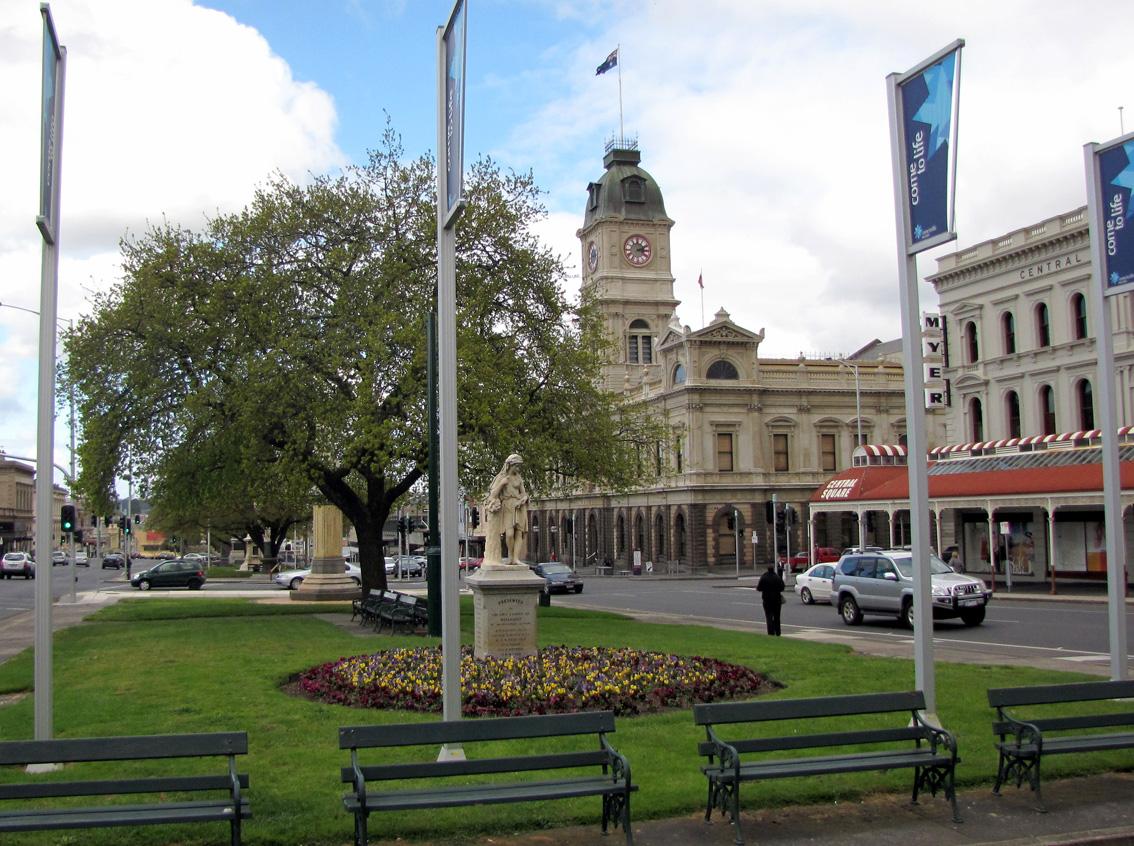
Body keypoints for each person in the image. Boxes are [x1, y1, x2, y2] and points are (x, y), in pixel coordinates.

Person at [483, 454, 530, 565]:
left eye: (519, 467)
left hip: (519, 506)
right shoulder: (501, 478)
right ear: (510, 465)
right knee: (509, 534)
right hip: (507, 506)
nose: (518, 469)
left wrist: (524, 498)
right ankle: (510, 555)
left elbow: (524, 493)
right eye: (516, 466)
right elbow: (493, 495)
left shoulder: (518, 477)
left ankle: (515, 558)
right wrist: (501, 484)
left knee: (519, 532)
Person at [756, 563, 785, 636]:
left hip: (767, 600)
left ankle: (770, 632)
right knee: (777, 617)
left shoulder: (764, 577)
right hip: (777, 600)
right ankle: (778, 632)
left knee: (768, 616)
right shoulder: (777, 577)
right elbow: (782, 587)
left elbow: (759, 588)